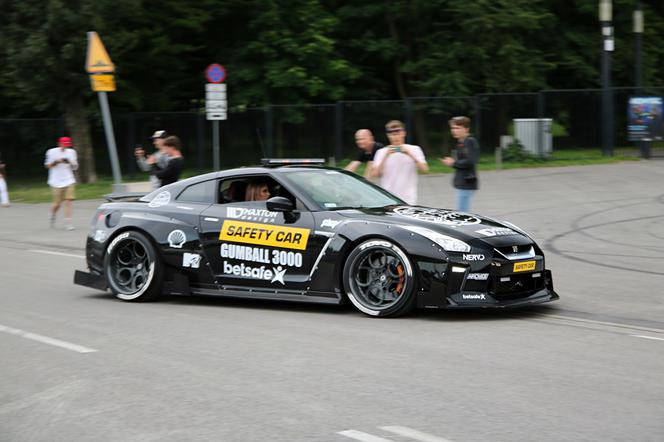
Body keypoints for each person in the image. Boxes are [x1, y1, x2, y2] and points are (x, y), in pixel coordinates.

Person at [371, 120, 428, 205]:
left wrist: (409, 154)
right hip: (388, 198)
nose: (395, 135)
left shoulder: (414, 149)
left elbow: (425, 170)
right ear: (388, 135)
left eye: (398, 132)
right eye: (391, 133)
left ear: (404, 133)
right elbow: (374, 174)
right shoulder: (381, 152)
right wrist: (386, 156)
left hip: (408, 198)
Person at [441, 116, 479, 212]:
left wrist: (453, 162)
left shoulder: (470, 141)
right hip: (462, 183)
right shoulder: (461, 142)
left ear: (466, 129)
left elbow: (471, 161)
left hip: (467, 183)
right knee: (462, 213)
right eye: (453, 128)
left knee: (463, 214)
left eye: (458, 128)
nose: (454, 131)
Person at [45, 136, 78, 230]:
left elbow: (75, 167)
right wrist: (56, 162)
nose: (66, 146)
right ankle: (52, 214)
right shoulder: (51, 152)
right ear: (59, 144)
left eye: (68, 145)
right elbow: (47, 166)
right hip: (55, 181)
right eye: (64, 144)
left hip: (69, 179)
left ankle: (68, 223)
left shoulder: (72, 152)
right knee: (57, 203)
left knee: (68, 201)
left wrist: (71, 163)